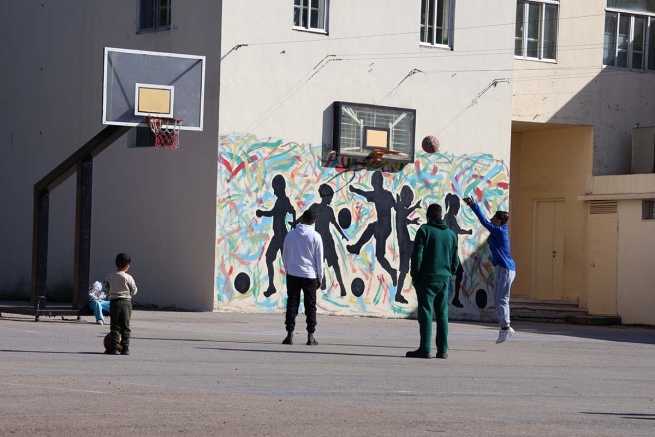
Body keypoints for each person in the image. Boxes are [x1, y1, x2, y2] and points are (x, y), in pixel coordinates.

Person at [407, 204, 459, 359]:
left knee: (426, 312)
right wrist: (449, 274)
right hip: (444, 279)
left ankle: (425, 349)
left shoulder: (424, 230)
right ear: (441, 216)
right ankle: (442, 350)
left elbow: (417, 256)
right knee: (442, 314)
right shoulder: (451, 234)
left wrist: (415, 276)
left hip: (427, 279)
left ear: (427, 216)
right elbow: (455, 260)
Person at [463, 197, 516, 344]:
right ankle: (505, 327)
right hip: (500, 267)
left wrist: (473, 205)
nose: (491, 220)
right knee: (498, 299)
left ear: (498, 222)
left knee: (502, 299)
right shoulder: (498, 231)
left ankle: (505, 328)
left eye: (494, 218)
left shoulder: (500, 231)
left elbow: (484, 221)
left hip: (506, 268)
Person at [281, 209, 324, 346]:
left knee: (292, 303)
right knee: (310, 305)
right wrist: (320, 278)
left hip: (293, 274)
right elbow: (319, 260)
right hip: (310, 275)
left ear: (302, 219)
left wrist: (288, 269)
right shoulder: (316, 236)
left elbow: (284, 255)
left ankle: (289, 335)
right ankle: (310, 336)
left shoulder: (290, 235)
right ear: (314, 221)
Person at [257, 175, 296, 298]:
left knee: (287, 263)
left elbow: (291, 210)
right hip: (277, 235)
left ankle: (291, 288)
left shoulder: (284, 200)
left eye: (275, 189)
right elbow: (278, 212)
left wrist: (294, 224)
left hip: (282, 236)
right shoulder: (280, 200)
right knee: (269, 258)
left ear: (281, 187)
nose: (274, 192)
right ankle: (271, 286)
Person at [103, 253, 138, 355]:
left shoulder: (110, 276)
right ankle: (125, 347)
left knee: (115, 325)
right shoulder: (128, 277)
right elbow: (133, 291)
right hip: (126, 303)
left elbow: (106, 288)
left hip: (114, 302)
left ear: (115, 263)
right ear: (128, 266)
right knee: (125, 325)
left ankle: (114, 347)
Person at [444, 193, 473, 308]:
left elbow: (457, 230)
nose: (458, 209)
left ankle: (453, 298)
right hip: (450, 252)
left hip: (451, 252)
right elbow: (455, 230)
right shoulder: (449, 218)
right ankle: (450, 298)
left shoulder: (450, 217)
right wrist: (467, 232)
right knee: (454, 274)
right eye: (458, 206)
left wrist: (467, 232)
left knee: (456, 274)